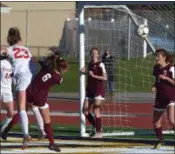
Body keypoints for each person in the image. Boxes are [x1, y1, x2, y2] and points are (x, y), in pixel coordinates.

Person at [0, 27, 39, 148]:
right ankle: (29, 134)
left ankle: (26, 134)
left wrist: (4, 51)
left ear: (9, 39)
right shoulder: (26, 49)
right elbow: (33, 62)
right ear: (19, 40)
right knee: (30, 106)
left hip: (21, 78)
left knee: (21, 109)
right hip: (31, 76)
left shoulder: (10, 49)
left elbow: (3, 51)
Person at [81, 47, 107, 138]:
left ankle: (99, 132)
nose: (93, 55)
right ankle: (97, 127)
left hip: (98, 90)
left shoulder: (101, 64)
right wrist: (84, 73)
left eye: (95, 53)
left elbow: (105, 78)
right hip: (90, 90)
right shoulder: (90, 64)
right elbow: (90, 75)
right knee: (85, 110)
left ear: (98, 54)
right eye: (92, 53)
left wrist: (94, 75)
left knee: (96, 109)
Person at [152, 49, 175, 149]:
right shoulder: (156, 68)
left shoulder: (171, 68)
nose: (156, 58)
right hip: (160, 97)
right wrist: (154, 86)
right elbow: (157, 81)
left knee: (171, 119)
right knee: (156, 121)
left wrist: (166, 78)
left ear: (164, 57)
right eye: (156, 56)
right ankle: (160, 140)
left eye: (158, 56)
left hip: (170, 97)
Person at [0, 52, 14, 136]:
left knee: (10, 113)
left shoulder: (11, 65)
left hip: (8, 91)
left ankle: (2, 128)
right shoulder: (1, 63)